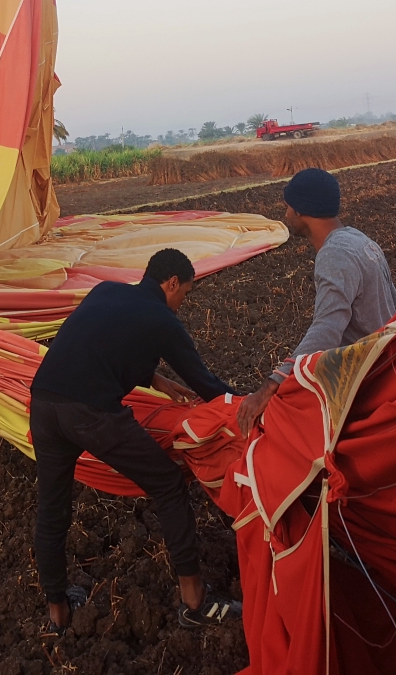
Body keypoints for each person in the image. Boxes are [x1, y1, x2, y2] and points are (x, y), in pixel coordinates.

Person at [29, 248, 243, 632]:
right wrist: (250, 405)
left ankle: (58, 611)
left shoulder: (105, 291)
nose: (181, 305)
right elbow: (206, 385)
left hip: (43, 403)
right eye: (185, 295)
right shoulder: (163, 320)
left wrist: (155, 379)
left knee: (53, 508)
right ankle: (195, 601)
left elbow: (98, 343)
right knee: (168, 484)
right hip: (90, 413)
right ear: (172, 282)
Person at [236, 168, 396, 435]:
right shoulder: (359, 240)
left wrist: (272, 384)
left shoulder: (334, 254)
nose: (286, 214)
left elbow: (327, 328)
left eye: (288, 208)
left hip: (363, 378)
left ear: (301, 211)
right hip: (386, 363)